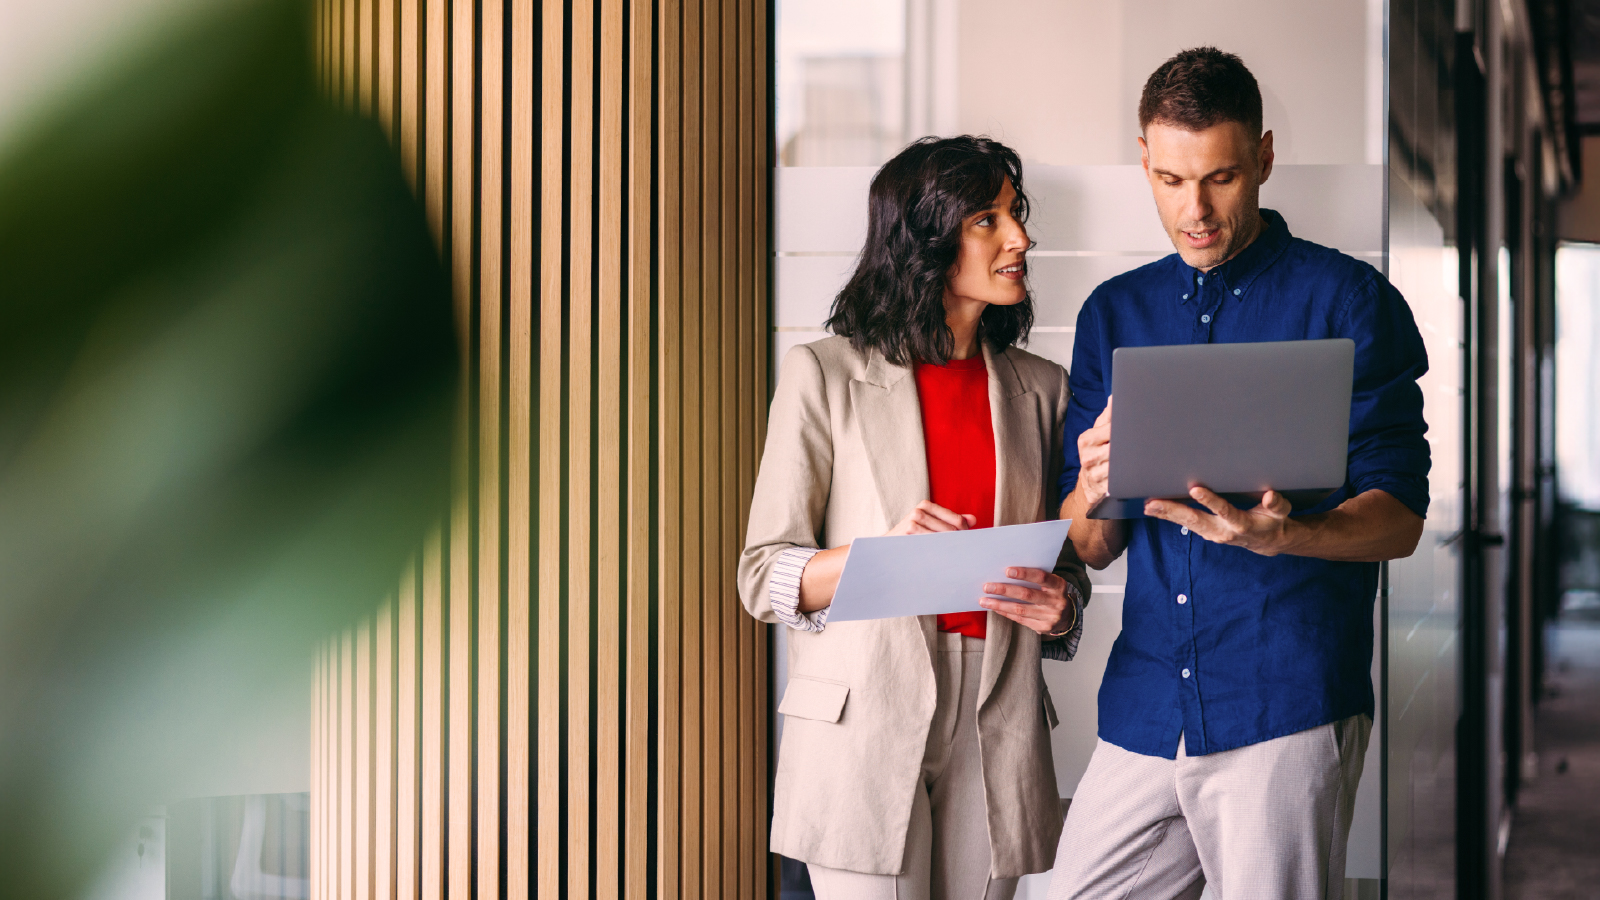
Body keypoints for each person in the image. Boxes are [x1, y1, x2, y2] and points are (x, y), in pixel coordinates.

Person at [1041, 48, 1431, 899]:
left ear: (1263, 157)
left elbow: (1400, 519)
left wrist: (1287, 533)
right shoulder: (1115, 311)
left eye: (1219, 177)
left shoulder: (1349, 302)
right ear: (1144, 159)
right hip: (1146, 700)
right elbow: (1092, 545)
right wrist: (1093, 482)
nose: (1196, 210)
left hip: (1285, 698)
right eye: (1172, 180)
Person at [738, 135, 1092, 900]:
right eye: (987, 220)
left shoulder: (1044, 389)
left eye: (1014, 214)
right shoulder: (823, 374)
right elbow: (763, 576)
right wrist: (878, 559)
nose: (1020, 238)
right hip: (863, 717)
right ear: (928, 239)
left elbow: (1060, 571)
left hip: (995, 721)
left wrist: (1062, 611)